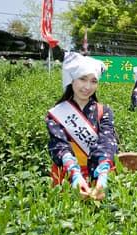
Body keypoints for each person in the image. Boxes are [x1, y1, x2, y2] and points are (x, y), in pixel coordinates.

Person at [45, 52, 118, 200]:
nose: (87, 86)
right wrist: (75, 174)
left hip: (97, 173)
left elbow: (107, 140)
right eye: (82, 79)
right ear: (72, 80)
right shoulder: (58, 113)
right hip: (68, 174)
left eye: (93, 81)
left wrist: (104, 172)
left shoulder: (104, 111)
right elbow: (59, 145)